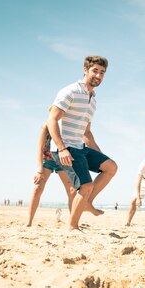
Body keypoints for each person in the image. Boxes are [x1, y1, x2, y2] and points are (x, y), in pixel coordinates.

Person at [47, 55, 118, 232]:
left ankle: (86, 203)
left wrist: (101, 155)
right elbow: (52, 120)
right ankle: (72, 227)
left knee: (111, 167)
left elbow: (86, 132)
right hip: (66, 148)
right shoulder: (70, 91)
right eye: (95, 71)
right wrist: (62, 148)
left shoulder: (93, 99)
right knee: (86, 186)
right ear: (85, 70)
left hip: (80, 146)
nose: (99, 75)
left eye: (102, 72)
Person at [26, 123, 76, 227]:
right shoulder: (46, 126)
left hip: (63, 160)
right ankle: (28, 222)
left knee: (72, 191)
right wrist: (39, 169)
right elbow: (40, 148)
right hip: (47, 159)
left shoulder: (67, 124)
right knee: (37, 188)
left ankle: (73, 223)